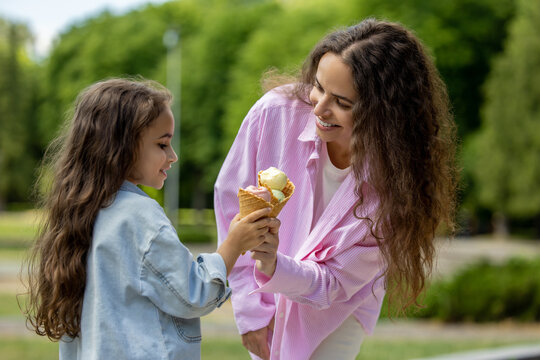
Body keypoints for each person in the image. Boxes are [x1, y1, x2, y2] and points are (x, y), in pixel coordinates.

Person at [214, 18, 458, 359]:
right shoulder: (273, 114)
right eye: (318, 86)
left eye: (342, 102)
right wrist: (249, 311)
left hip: (337, 310)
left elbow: (332, 285)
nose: (319, 108)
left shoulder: (399, 185)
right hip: (264, 295)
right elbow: (231, 211)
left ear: (384, 113)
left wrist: (272, 264)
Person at [23, 78, 279, 359]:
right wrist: (234, 244)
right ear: (121, 146)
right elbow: (192, 294)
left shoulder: (84, 213)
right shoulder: (139, 215)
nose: (173, 156)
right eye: (162, 144)